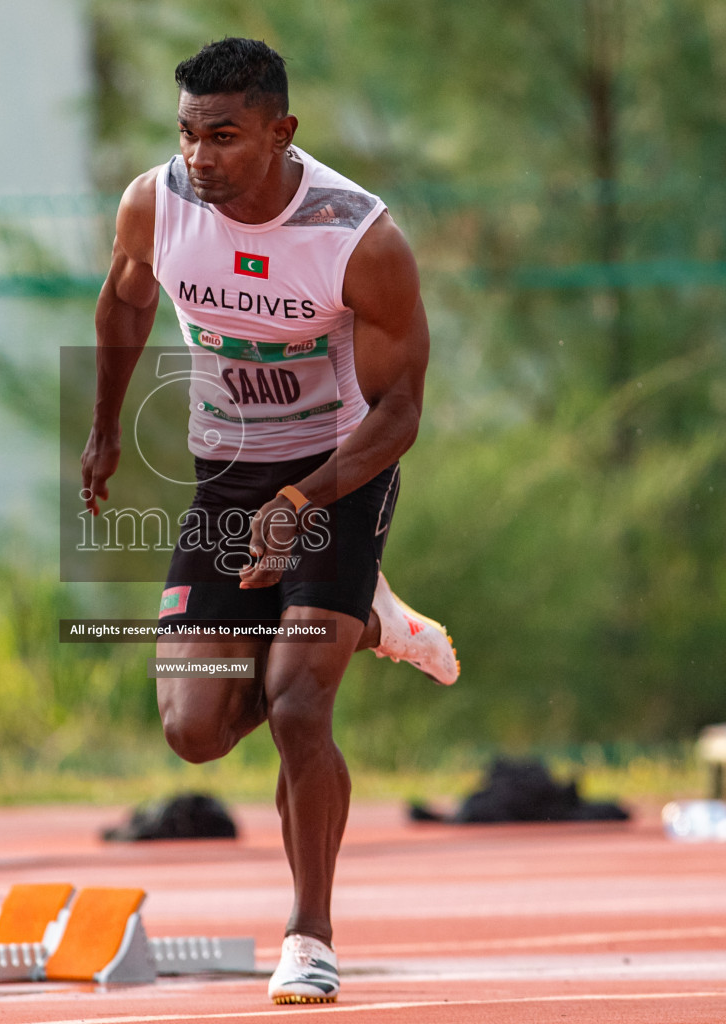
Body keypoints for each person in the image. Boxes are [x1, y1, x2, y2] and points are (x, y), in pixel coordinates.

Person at [80, 36, 458, 1005]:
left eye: (225, 136)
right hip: (227, 476)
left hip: (340, 473)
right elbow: (123, 306)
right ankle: (360, 623)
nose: (199, 158)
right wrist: (104, 432)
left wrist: (302, 503)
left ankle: (310, 935)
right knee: (194, 729)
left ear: (282, 132)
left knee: (297, 703)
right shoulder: (154, 205)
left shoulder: (356, 237)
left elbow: (401, 413)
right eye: (188, 134)